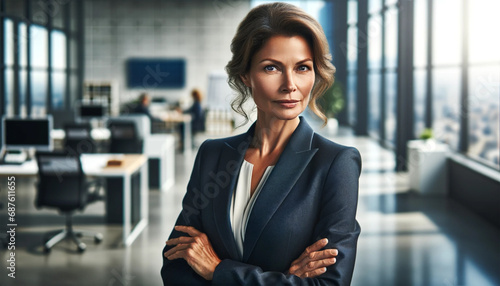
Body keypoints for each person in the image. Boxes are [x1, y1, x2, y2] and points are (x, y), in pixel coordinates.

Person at [161, 3, 361, 285]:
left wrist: (217, 270)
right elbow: (175, 264)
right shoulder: (212, 154)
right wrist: (284, 279)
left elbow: (329, 283)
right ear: (246, 76)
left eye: (303, 67)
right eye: (271, 68)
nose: (290, 84)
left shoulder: (336, 164)